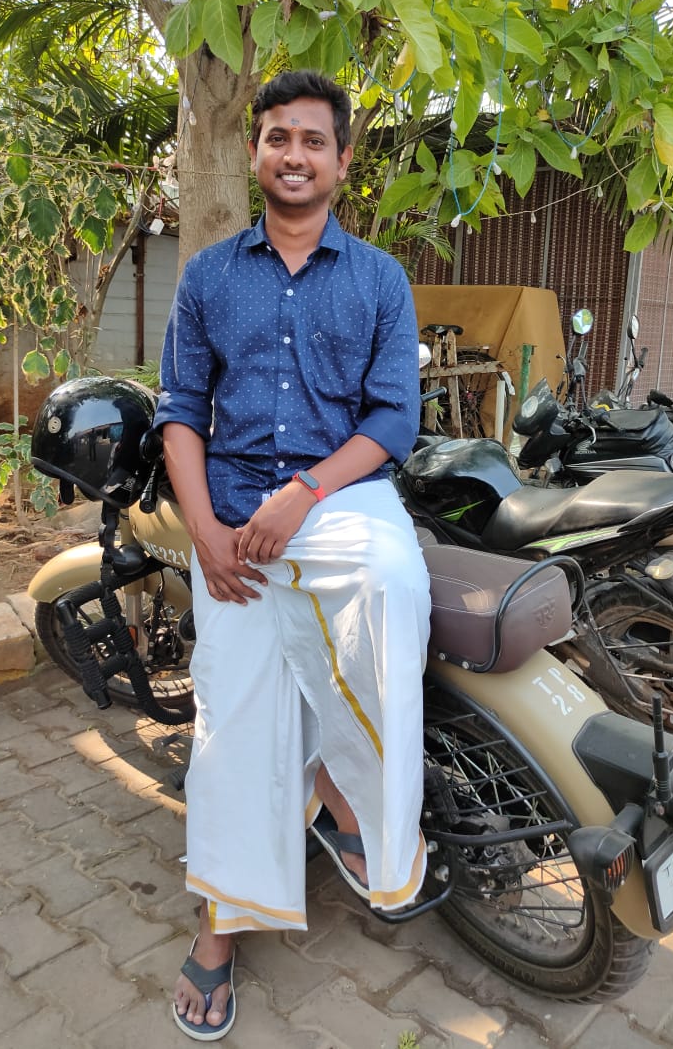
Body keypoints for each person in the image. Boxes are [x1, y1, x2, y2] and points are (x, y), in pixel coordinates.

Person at [153, 69, 431, 1042]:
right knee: (231, 726)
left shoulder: (379, 280)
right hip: (229, 516)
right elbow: (180, 412)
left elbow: (392, 420)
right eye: (279, 137)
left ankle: (350, 798)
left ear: (342, 161)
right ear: (255, 151)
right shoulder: (208, 277)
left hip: (337, 506)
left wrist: (304, 492)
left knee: (393, 594)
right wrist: (205, 533)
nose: (295, 155)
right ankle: (221, 925)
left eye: (314, 140)